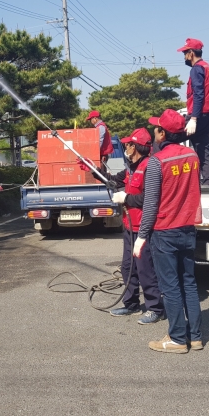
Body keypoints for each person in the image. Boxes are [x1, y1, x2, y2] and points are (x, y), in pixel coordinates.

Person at [77, 128, 165, 324]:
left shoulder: (148, 167)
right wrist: (92, 168)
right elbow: (111, 180)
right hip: (129, 226)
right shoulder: (130, 169)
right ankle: (131, 304)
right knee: (127, 268)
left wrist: (126, 198)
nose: (125, 147)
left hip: (144, 228)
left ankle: (155, 308)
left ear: (135, 147)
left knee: (145, 269)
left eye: (128, 144)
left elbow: (149, 198)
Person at [134, 109, 203, 353]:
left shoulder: (157, 161)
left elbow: (151, 203)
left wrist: (141, 236)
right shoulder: (192, 156)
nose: (154, 132)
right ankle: (195, 336)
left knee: (170, 286)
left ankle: (176, 339)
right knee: (189, 283)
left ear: (162, 133)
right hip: (188, 228)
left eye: (156, 128)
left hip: (165, 231)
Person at [177, 38, 209, 185]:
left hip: (198, 115)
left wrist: (193, 118)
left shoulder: (196, 69)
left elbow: (198, 94)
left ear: (191, 53)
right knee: (203, 150)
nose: (184, 56)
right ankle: (208, 183)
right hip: (208, 115)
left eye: (185, 53)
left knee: (166, 137)